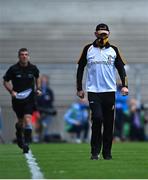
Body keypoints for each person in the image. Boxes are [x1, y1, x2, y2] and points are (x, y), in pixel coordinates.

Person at [76, 23, 128, 160]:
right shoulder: (88, 49)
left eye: (105, 33)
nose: (103, 35)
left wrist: (124, 85)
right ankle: (94, 151)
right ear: (95, 34)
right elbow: (80, 68)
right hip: (93, 91)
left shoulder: (114, 50)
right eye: (101, 33)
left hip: (109, 91)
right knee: (97, 119)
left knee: (109, 123)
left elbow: (121, 69)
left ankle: (107, 153)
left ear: (108, 34)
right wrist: (79, 88)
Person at [3, 48, 42, 153]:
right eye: (22, 54)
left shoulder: (33, 68)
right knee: (20, 122)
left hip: (30, 99)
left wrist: (38, 89)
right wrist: (11, 91)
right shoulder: (13, 69)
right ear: (19, 56)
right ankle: (18, 134)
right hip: (17, 99)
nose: (24, 56)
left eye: (26, 54)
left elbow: (37, 77)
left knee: (28, 119)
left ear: (28, 56)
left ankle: (26, 143)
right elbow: (5, 81)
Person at [36, 74, 57, 142]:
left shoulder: (49, 91)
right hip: (40, 110)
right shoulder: (38, 90)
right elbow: (36, 100)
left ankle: (44, 137)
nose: (44, 81)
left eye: (45, 80)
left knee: (45, 124)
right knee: (39, 125)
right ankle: (38, 137)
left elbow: (51, 100)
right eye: (43, 80)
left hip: (48, 110)